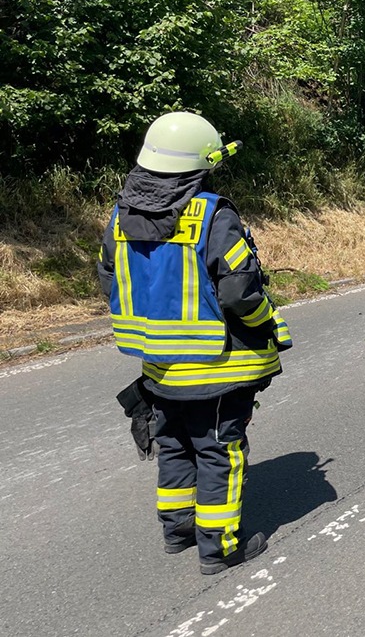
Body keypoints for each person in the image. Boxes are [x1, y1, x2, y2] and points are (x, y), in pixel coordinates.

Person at [97, 111, 292, 575]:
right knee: (219, 451)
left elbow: (110, 279)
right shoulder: (211, 214)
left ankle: (178, 530)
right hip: (214, 367)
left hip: (159, 367)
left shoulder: (121, 218)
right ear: (199, 165)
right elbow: (240, 291)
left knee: (175, 445)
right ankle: (220, 548)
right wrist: (268, 325)